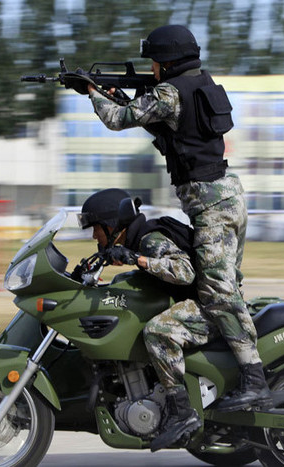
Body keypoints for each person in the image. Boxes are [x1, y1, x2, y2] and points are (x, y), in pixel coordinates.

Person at [82, 25, 272, 413]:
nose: (151, 69)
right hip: (225, 197)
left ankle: (255, 380)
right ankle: (222, 368)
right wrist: (121, 96)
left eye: (154, 62)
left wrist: (92, 93)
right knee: (223, 286)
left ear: (166, 62)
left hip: (212, 208)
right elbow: (168, 128)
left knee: (218, 293)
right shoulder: (200, 85)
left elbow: (117, 119)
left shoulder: (169, 92)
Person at [78, 188, 219, 451]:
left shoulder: (149, 240)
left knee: (157, 331)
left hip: (211, 307)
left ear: (112, 225)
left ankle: (182, 412)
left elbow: (185, 272)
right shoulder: (137, 239)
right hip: (198, 302)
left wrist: (137, 259)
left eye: (96, 228)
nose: (95, 235)